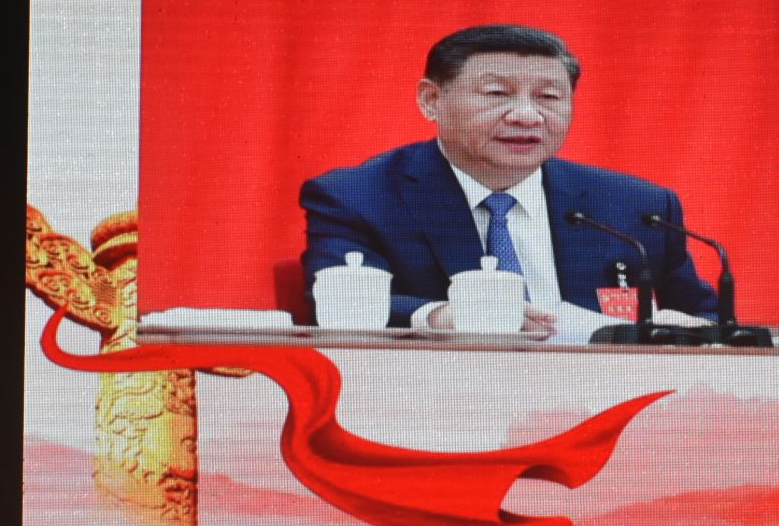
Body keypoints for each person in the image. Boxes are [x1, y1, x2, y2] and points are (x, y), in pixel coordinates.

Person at [299, 23, 721, 335]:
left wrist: (689, 328)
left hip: (599, 393)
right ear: (431, 100)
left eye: (548, 97)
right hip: (439, 394)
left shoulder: (634, 206)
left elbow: (705, 315)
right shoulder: (358, 196)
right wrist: (440, 316)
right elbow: (338, 303)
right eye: (496, 94)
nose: (526, 115)